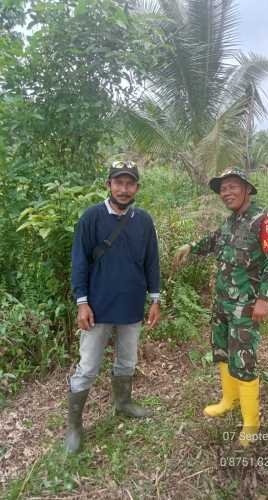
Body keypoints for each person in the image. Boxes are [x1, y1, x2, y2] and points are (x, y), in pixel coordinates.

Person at [174, 167, 268, 447]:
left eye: (233, 186)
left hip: (246, 306)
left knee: (244, 358)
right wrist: (191, 246)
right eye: (223, 189)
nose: (227, 192)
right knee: (222, 352)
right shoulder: (231, 222)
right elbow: (213, 241)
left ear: (247, 189)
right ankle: (228, 400)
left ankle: (251, 423)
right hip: (222, 303)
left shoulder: (265, 219)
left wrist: (264, 299)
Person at [65, 160, 160, 454]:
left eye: (129, 183)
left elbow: (152, 262)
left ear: (136, 188)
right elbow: (79, 262)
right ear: (109, 185)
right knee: (88, 367)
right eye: (118, 183)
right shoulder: (91, 217)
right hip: (97, 307)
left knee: (127, 362)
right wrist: (82, 303)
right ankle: (74, 427)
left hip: (131, 306)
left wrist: (155, 298)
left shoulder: (143, 220)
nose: (124, 188)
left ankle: (123, 404)